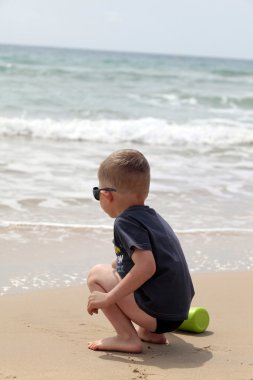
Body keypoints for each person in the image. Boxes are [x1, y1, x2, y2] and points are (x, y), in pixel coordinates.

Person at [87, 149, 194, 353]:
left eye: (96, 193)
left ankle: (127, 337)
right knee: (116, 266)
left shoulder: (125, 221)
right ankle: (150, 333)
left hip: (158, 315)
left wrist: (108, 298)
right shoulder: (153, 217)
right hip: (177, 314)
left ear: (107, 195)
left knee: (96, 275)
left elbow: (147, 266)